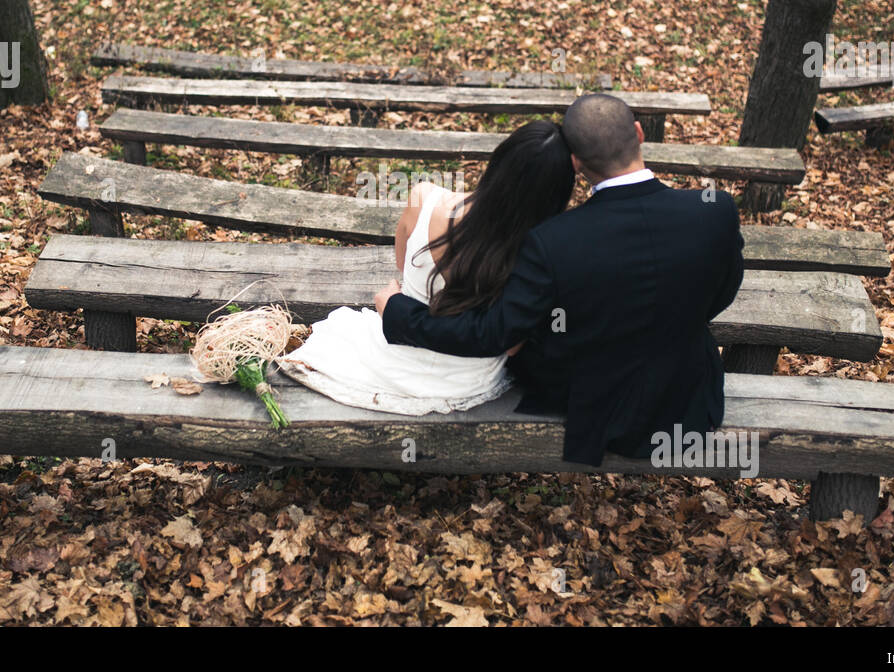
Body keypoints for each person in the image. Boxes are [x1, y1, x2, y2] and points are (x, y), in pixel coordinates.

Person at [376, 93, 745, 467]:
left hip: (595, 408)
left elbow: (491, 334)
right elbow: (722, 293)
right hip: (689, 401)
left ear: (577, 164)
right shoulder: (716, 211)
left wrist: (399, 312)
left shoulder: (553, 239)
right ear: (638, 132)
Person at [276, 119, 575, 414]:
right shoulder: (542, 255)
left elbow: (401, 265)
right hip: (467, 379)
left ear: (497, 162)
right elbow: (511, 344)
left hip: (394, 354)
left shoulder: (424, 198)